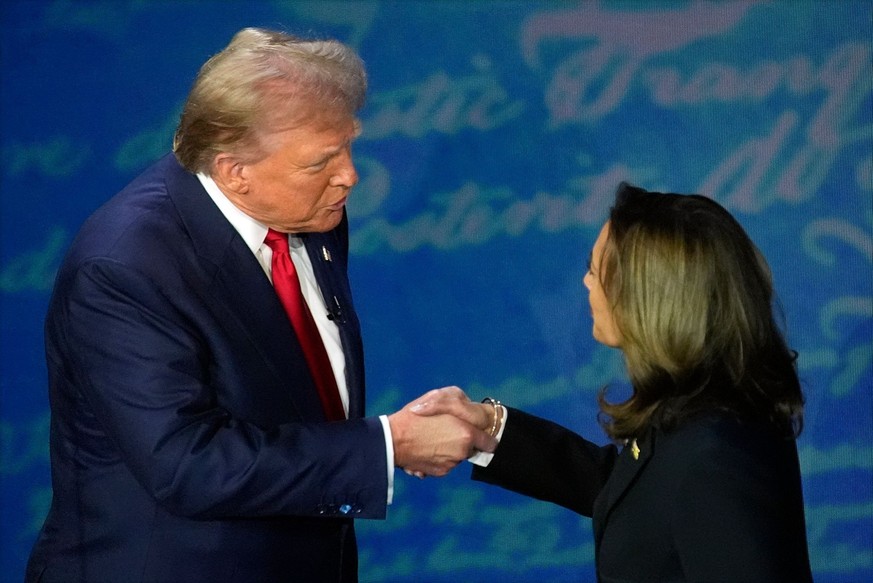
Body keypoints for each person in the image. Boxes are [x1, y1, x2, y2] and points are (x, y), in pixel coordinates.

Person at [25, 27, 494, 583]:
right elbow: (187, 464)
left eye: (349, 145)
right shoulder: (125, 268)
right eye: (321, 161)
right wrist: (386, 446)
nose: (349, 175)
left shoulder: (310, 211)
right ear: (234, 171)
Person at [413, 183, 813, 581]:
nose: (587, 282)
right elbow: (635, 494)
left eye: (594, 268)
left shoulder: (716, 454)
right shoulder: (699, 408)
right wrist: (490, 429)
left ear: (649, 296)